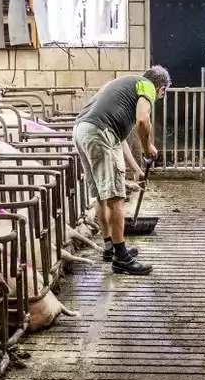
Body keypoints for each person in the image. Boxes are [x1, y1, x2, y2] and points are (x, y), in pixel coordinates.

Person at [73, 66, 171, 275]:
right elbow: (143, 121)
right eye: (162, 94)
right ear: (161, 88)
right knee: (115, 196)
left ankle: (110, 248)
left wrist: (136, 169)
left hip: (83, 130)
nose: (159, 97)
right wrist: (147, 147)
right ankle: (122, 258)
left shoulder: (121, 86)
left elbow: (118, 139)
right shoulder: (147, 86)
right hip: (99, 132)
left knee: (101, 193)